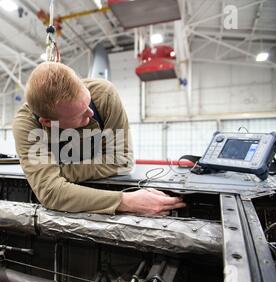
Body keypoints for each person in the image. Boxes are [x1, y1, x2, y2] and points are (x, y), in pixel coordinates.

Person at [12, 62, 185, 216]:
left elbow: (122, 160)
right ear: (48, 122)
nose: (90, 112)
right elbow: (51, 193)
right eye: (79, 114)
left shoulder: (104, 96)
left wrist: (57, 174)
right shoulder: (26, 124)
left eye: (87, 102)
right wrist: (126, 201)